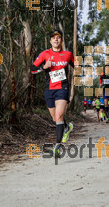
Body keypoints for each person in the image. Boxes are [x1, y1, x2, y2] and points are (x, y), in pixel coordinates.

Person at [31, 29, 74, 157]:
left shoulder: (67, 54)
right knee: (55, 118)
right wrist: (44, 67)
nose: (56, 39)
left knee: (59, 116)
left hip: (62, 88)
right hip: (49, 89)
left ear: (61, 40)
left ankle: (57, 147)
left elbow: (77, 65)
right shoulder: (45, 54)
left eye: (58, 37)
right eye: (53, 37)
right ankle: (66, 127)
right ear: (50, 40)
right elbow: (32, 69)